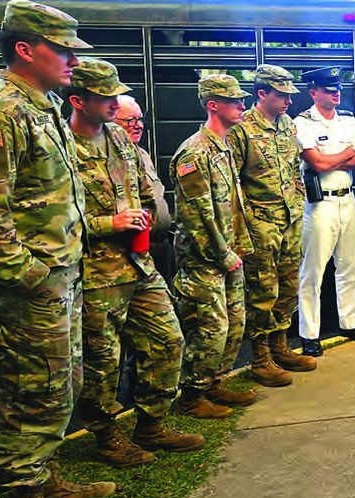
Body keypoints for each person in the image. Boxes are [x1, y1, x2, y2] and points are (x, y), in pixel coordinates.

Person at [0, 0, 113, 498]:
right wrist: (31, 277)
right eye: (64, 50)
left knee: (58, 387)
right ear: (26, 50)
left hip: (57, 280)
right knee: (32, 394)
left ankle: (45, 481)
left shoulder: (40, 105)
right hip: (28, 290)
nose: (74, 60)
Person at [65, 58, 206, 469]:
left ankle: (152, 423)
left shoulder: (120, 140)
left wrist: (149, 214)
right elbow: (46, 219)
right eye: (104, 97)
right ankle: (107, 436)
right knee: (102, 362)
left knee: (168, 340)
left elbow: (147, 189)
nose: (114, 104)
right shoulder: (60, 146)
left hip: (139, 265)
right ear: (78, 100)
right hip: (94, 274)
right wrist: (109, 222)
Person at [170, 74, 256, 416]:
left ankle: (215, 383)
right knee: (210, 328)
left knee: (234, 324)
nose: (242, 106)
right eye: (235, 102)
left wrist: (236, 249)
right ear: (213, 105)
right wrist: (222, 255)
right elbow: (196, 216)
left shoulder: (225, 146)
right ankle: (192, 396)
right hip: (206, 259)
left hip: (231, 253)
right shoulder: (194, 152)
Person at [227, 64, 311, 387]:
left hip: (290, 220)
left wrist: (298, 197)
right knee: (263, 291)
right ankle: (260, 357)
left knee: (289, 287)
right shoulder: (242, 130)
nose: (289, 101)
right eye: (281, 95)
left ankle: (280, 346)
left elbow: (293, 168)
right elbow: (235, 183)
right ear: (261, 94)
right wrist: (248, 222)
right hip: (262, 225)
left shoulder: (288, 125)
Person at [294, 66, 355, 357]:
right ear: (313, 92)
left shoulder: (349, 122)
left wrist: (332, 159)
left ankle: (350, 321)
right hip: (320, 204)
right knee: (313, 270)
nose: (336, 92)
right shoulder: (302, 123)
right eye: (328, 89)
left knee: (349, 264)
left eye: (337, 87)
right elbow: (318, 165)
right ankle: (309, 333)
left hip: (346, 199)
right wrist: (344, 155)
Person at [113, 95, 171, 244]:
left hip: (157, 242)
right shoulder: (110, 159)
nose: (139, 126)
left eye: (140, 120)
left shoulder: (142, 154)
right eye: (130, 120)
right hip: (131, 246)